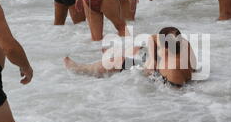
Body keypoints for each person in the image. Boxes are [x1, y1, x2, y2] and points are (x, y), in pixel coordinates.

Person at [64, 27, 196, 87]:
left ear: (166, 48)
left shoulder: (173, 70)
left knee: (117, 61)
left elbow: (175, 96)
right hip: (156, 68)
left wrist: (150, 70)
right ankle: (117, 55)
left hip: (157, 76)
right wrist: (154, 59)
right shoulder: (183, 43)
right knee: (134, 51)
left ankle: (83, 69)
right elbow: (152, 38)